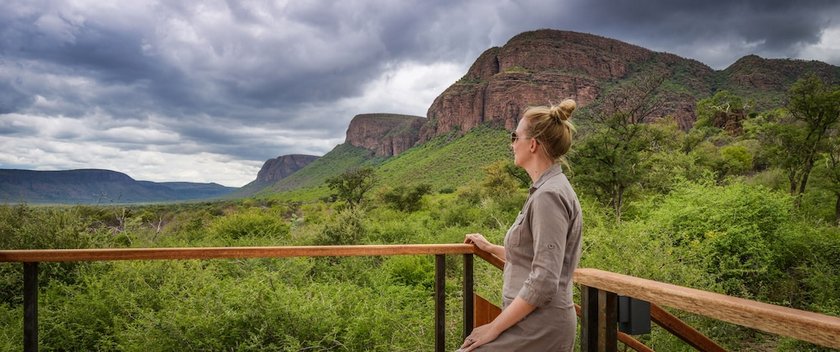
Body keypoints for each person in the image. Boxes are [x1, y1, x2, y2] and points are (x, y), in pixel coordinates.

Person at [461, 99, 583, 352]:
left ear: (533, 144)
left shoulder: (549, 195)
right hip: (529, 320)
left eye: (515, 136)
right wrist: (492, 248)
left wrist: (493, 328)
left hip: (539, 327)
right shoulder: (547, 189)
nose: (512, 143)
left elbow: (544, 279)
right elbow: (537, 258)